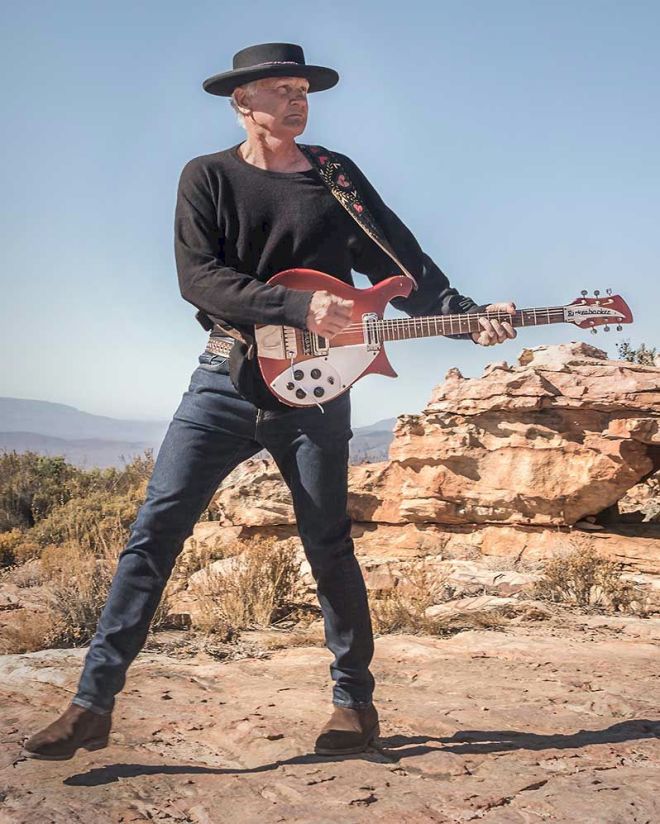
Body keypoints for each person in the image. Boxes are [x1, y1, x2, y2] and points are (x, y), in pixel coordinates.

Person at [23, 42, 516, 761]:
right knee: (155, 532)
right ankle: (92, 705)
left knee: (328, 545)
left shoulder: (336, 177)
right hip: (225, 383)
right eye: (280, 90)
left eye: (302, 90)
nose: (296, 101)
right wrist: (294, 306)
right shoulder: (208, 177)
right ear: (242, 102)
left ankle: (354, 707)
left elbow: (403, 265)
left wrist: (465, 312)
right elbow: (200, 279)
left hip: (316, 394)